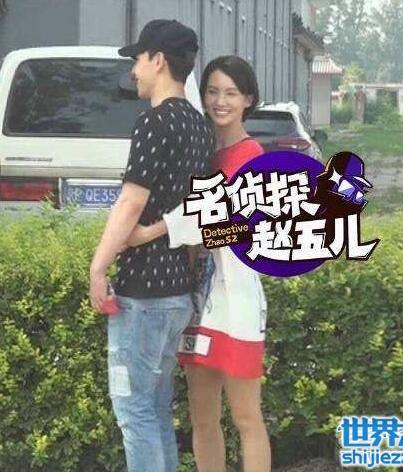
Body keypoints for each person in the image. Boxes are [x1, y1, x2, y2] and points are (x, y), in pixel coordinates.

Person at [124, 55, 272, 472]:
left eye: (231, 93)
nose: (220, 101)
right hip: (197, 302)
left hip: (238, 303)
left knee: (246, 417)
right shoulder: (201, 149)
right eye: (212, 91)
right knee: (202, 417)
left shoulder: (252, 156)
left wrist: (153, 232)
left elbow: (236, 229)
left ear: (248, 99)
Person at [89, 19, 214, 472]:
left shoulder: (154, 122)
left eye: (139, 60)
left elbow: (130, 201)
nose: (134, 71)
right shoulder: (200, 127)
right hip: (177, 293)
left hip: (142, 295)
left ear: (158, 60)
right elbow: (201, 213)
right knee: (156, 410)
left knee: (134, 411)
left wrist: (98, 268)